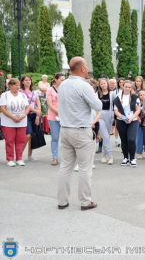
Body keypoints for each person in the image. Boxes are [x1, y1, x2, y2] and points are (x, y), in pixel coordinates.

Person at [57, 57, 102, 211]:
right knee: (85, 168)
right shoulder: (83, 86)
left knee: (66, 166)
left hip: (65, 129)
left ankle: (62, 200)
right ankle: (85, 201)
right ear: (82, 69)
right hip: (81, 130)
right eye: (86, 66)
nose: (87, 68)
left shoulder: (62, 85)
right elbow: (98, 105)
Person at [0, 78, 30, 167]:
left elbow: (27, 107)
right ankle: (10, 159)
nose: (18, 87)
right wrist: (13, 117)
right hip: (8, 122)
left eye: (19, 85)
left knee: (21, 141)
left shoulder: (23, 95)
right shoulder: (5, 95)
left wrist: (23, 115)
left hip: (21, 121)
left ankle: (19, 158)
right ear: (10, 86)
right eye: (16, 85)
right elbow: (2, 108)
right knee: (9, 141)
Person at [114, 81, 141, 167]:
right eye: (126, 87)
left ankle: (132, 159)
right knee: (124, 140)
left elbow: (138, 110)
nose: (127, 88)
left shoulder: (135, 97)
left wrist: (131, 118)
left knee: (131, 139)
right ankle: (125, 158)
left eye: (129, 87)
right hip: (121, 121)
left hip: (132, 121)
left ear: (131, 88)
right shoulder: (117, 97)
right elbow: (116, 111)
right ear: (123, 86)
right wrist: (123, 118)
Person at [20, 75, 41, 162]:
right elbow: (26, 105)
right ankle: (19, 154)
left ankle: (30, 155)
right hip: (26, 115)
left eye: (29, 80)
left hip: (34, 115)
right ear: (22, 82)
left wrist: (37, 115)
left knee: (32, 136)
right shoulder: (20, 92)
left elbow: (38, 103)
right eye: (26, 80)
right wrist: (36, 111)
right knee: (27, 135)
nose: (28, 81)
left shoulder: (34, 92)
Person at [46, 73, 66, 165]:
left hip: (65, 117)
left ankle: (66, 159)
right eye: (62, 80)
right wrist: (59, 112)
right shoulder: (50, 90)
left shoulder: (66, 89)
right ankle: (55, 158)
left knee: (65, 139)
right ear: (56, 80)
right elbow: (49, 104)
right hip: (53, 117)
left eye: (64, 80)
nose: (63, 81)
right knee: (55, 138)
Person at [97, 78, 116, 165]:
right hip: (100, 115)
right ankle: (110, 155)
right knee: (105, 136)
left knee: (106, 136)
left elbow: (117, 105)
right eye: (101, 84)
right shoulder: (96, 94)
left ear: (107, 84)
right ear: (99, 85)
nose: (103, 85)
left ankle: (103, 155)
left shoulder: (112, 94)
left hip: (109, 115)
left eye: (104, 83)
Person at [136, 91, 145, 159]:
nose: (142, 96)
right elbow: (135, 112)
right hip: (139, 122)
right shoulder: (137, 103)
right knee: (139, 138)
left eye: (144, 94)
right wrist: (139, 119)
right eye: (141, 95)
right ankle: (140, 152)